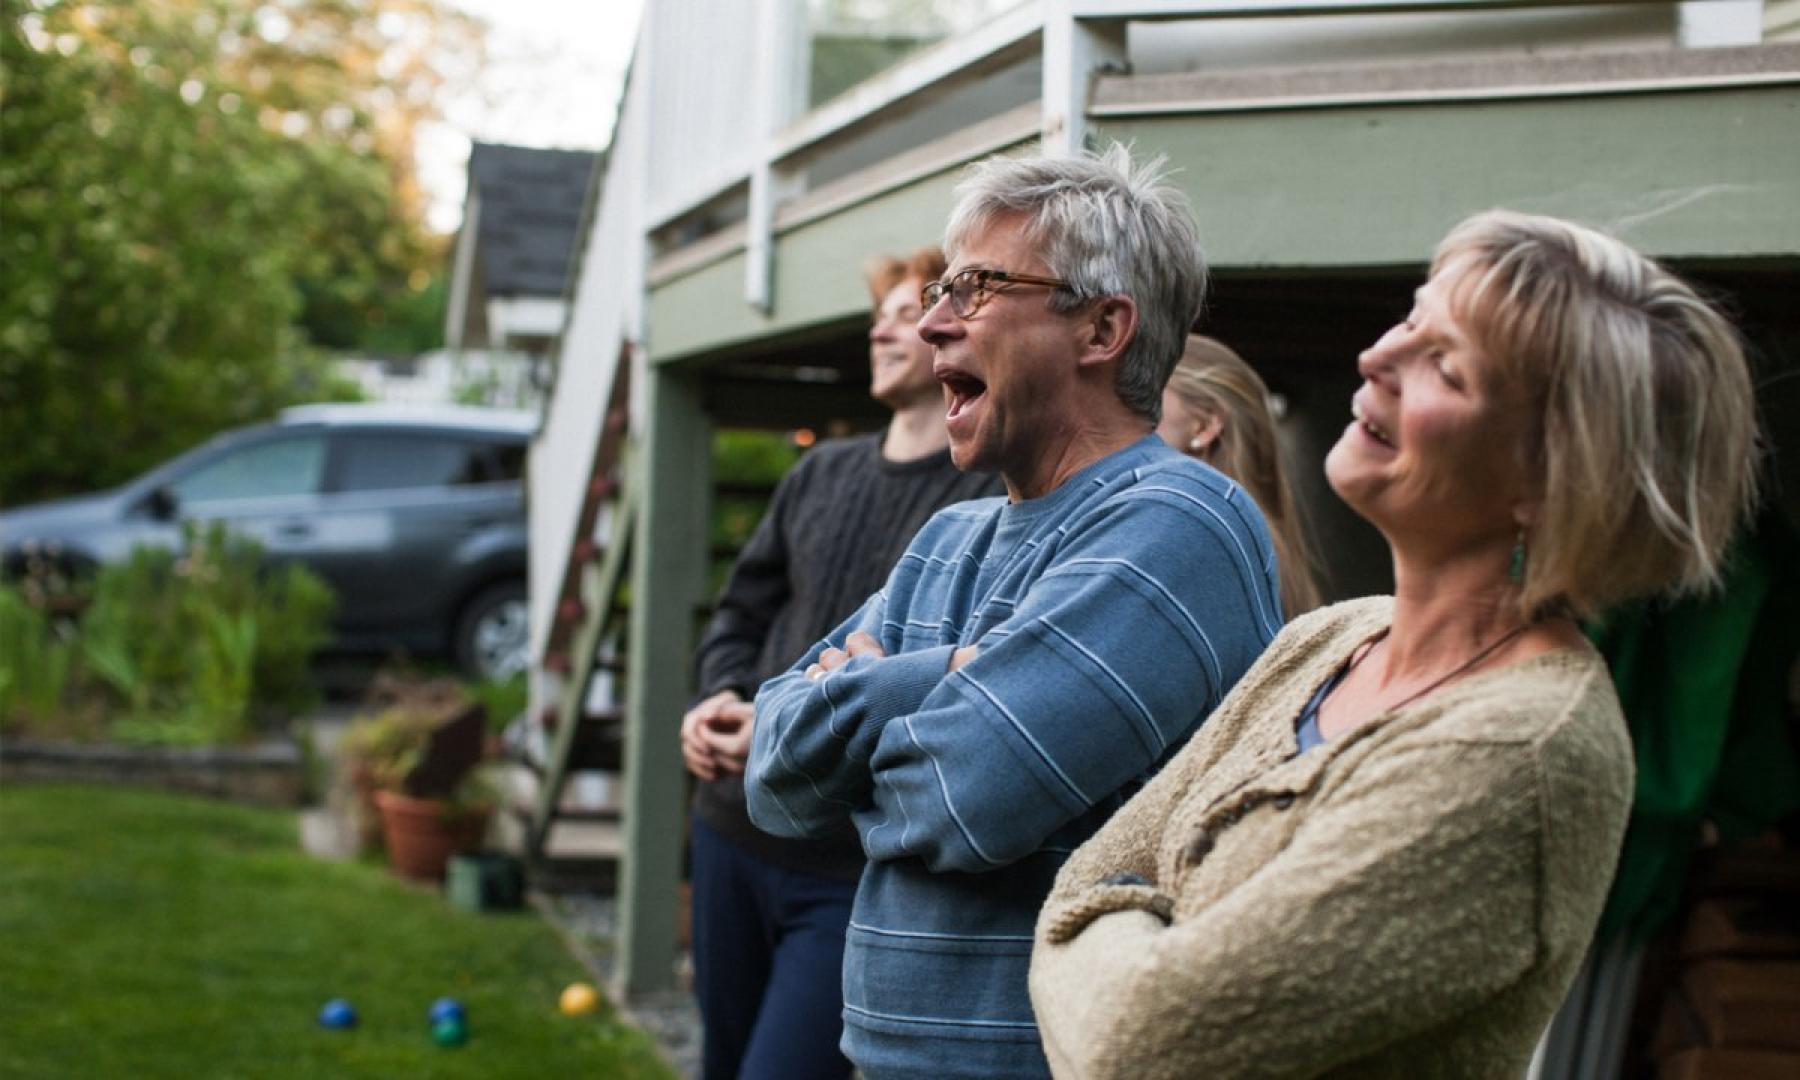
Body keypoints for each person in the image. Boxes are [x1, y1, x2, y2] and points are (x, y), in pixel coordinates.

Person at [1029, 209, 1760, 1079]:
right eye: (1413, 319)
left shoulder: (1518, 753)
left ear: (1554, 478)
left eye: (1445, 366)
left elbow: (1137, 1046)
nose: (1379, 358)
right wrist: (1113, 924)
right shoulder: (1329, 639)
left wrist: (1119, 923)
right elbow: (1075, 888)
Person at [744, 145, 1283, 1079]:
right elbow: (774, 779)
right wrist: (949, 680)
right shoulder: (949, 539)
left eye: (978, 289)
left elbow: (965, 800)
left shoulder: (1185, 522)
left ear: (1102, 328)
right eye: (938, 291)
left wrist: (873, 688)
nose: (934, 325)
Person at [680, 246, 1001, 1080]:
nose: (885, 329)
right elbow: (743, 611)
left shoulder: (988, 500)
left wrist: (785, 734)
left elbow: (952, 685)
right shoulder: (818, 471)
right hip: (728, 834)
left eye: (907, 312)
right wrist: (716, 700)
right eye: (880, 315)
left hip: (847, 873)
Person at [1157, 334, 1324, 619]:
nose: (1121, 417)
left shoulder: (1196, 539)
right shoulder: (1260, 550)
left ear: (1204, 425)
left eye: (1143, 398)